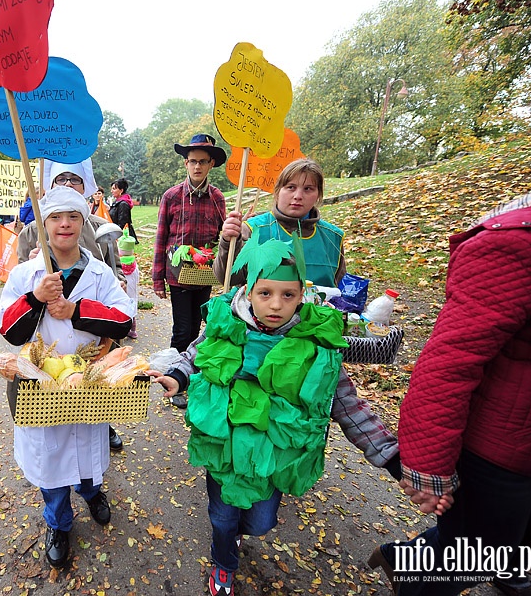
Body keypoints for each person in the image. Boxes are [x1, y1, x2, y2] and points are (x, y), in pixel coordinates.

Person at [150, 234, 402, 596]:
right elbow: (195, 352)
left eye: (288, 295)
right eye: (265, 293)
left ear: (302, 295)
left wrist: (390, 456)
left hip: (276, 453)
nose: (276, 304)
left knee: (261, 521)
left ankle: (238, 534)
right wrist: (178, 376)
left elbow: (347, 404)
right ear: (250, 292)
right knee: (223, 517)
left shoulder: (317, 343)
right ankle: (223, 561)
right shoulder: (227, 322)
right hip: (227, 447)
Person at [369, 115, 531, 596]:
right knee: (470, 553)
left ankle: (499, 565)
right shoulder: (519, 244)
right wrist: (428, 469)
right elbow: (448, 364)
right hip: (503, 445)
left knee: (529, 538)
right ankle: (415, 573)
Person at [0, 185, 134, 570]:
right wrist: (35, 298)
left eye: (73, 217)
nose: (64, 225)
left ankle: (92, 494)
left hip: (88, 382)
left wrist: (75, 309)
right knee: (51, 459)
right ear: (44, 224)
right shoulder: (26, 275)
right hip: (43, 388)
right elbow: (9, 332)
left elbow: (124, 318)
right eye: (55, 217)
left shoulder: (100, 273)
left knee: (87, 452)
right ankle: (58, 522)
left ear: (83, 223)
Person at [17, 159, 126, 452]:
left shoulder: (102, 228)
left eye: (74, 180)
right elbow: (16, 296)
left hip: (91, 347)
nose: (66, 185)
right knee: (50, 444)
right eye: (60, 179)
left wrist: (83, 306)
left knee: (91, 431)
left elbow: (114, 277)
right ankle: (56, 497)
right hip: (45, 360)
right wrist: (35, 287)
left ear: (85, 189)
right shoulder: (30, 233)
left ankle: (92, 486)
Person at [152, 133, 227, 408]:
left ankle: (193, 375)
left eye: (203, 162)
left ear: (210, 165)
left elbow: (224, 235)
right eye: (193, 161)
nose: (197, 167)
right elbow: (161, 237)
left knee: (200, 328)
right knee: (183, 328)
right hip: (178, 275)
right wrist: (157, 278)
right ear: (185, 163)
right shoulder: (172, 196)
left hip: (205, 273)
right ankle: (175, 380)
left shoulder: (217, 198)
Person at [213, 158, 345, 289]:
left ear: (318, 195)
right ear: (277, 191)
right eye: (291, 187)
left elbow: (342, 291)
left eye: (308, 189)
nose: (298, 196)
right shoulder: (253, 229)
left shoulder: (333, 237)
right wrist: (227, 242)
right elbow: (228, 278)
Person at [109, 178, 137, 243]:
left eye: (114, 189)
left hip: (121, 238)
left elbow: (123, 224)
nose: (111, 191)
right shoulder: (117, 202)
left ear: (121, 190)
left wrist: (115, 236)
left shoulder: (123, 204)